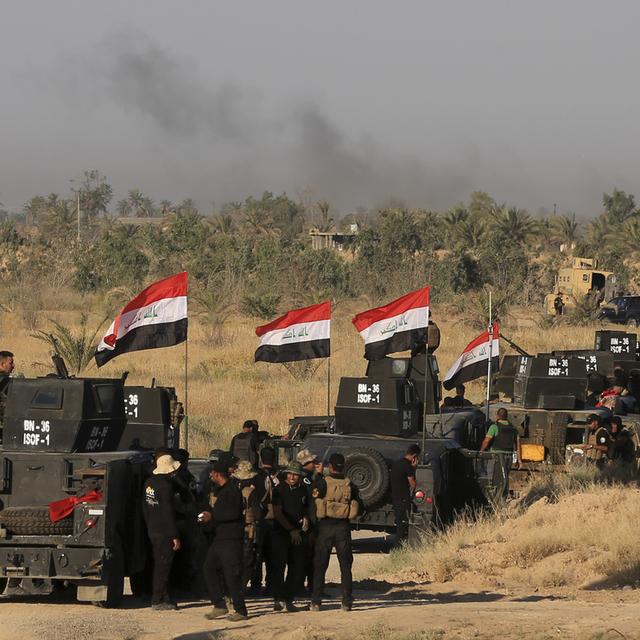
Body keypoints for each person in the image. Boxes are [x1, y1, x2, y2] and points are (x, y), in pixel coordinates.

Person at [199, 460, 248, 622]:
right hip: (219, 538)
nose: (210, 475)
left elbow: (234, 513)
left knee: (231, 574)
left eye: (213, 473)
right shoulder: (219, 490)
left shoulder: (232, 490)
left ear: (218, 474)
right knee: (208, 568)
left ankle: (240, 610)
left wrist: (212, 516)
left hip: (231, 538)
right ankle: (219, 605)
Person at [310, 453, 359, 612]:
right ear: (343, 467)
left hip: (325, 527)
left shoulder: (323, 482)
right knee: (345, 566)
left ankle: (316, 601)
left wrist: (318, 474)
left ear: (329, 466)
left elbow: (313, 497)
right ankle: (346, 601)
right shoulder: (350, 485)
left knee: (320, 565)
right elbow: (359, 505)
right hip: (343, 527)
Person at [142, 453, 182, 611]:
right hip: (165, 531)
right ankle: (158, 599)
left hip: (153, 528)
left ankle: (163, 596)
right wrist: (174, 535)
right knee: (163, 565)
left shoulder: (149, 483)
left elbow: (145, 508)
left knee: (158, 563)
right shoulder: (166, 486)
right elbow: (168, 512)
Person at [270, 460, 310, 613]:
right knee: (278, 568)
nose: (293, 477)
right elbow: (278, 513)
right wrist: (290, 529)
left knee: (296, 567)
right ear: (286, 474)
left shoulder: (303, 490)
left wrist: (305, 518)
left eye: (296, 474)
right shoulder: (279, 489)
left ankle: (289, 599)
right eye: (290, 474)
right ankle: (278, 599)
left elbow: (305, 507)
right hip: (281, 533)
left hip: (297, 534)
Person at [232, 460, 264, 594]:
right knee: (247, 560)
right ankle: (241, 588)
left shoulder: (230, 488)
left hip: (231, 530)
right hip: (247, 530)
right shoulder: (250, 492)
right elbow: (257, 514)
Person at [251, 447, 277, 594]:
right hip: (275, 518)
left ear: (261, 458)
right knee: (272, 555)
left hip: (260, 518)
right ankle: (271, 584)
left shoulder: (256, 476)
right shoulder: (279, 475)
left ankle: (255, 584)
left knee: (258, 553)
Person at [390, 444, 420, 543]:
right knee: (402, 527)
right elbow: (413, 484)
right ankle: (398, 547)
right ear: (414, 456)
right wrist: (414, 468)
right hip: (403, 499)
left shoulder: (397, 463)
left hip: (395, 497)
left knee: (399, 524)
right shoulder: (408, 466)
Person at [480, 408, 521, 474]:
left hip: (496, 456)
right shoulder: (513, 429)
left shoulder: (494, 427)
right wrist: (519, 460)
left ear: (497, 416)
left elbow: (486, 441)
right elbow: (518, 446)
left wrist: (481, 452)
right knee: (504, 477)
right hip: (508, 456)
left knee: (492, 477)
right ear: (506, 416)